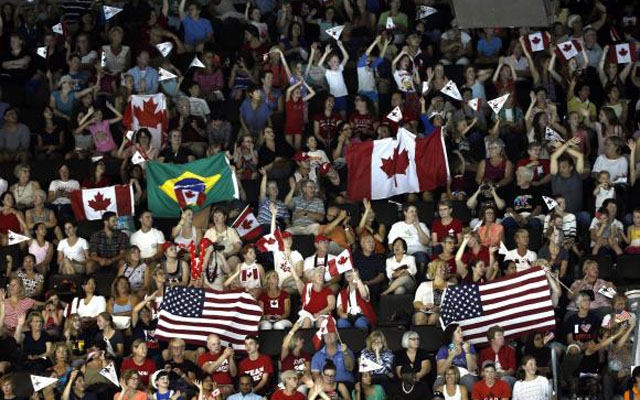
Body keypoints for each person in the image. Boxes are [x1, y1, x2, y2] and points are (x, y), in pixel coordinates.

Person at [434, 324, 478, 393]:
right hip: (448, 375)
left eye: (461, 331)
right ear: (451, 335)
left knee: (469, 381)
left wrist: (467, 352)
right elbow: (440, 372)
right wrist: (451, 356)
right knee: (438, 383)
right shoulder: (443, 349)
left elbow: (472, 369)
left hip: (465, 375)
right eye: (458, 332)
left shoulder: (468, 346)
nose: (461, 333)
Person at [393, 331, 432, 396]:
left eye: (417, 339)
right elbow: (400, 374)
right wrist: (411, 379)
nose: (416, 341)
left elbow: (425, 370)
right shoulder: (400, 354)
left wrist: (413, 378)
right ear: (406, 340)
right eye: (413, 339)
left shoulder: (423, 352)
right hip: (405, 383)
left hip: (421, 381)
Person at [413, 260, 451, 326]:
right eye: (441, 267)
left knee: (433, 318)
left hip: (442, 313)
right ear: (434, 270)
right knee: (420, 317)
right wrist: (423, 306)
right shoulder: (424, 285)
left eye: (445, 267)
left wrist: (439, 309)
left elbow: (453, 304)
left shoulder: (452, 286)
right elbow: (416, 302)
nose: (444, 269)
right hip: (424, 311)